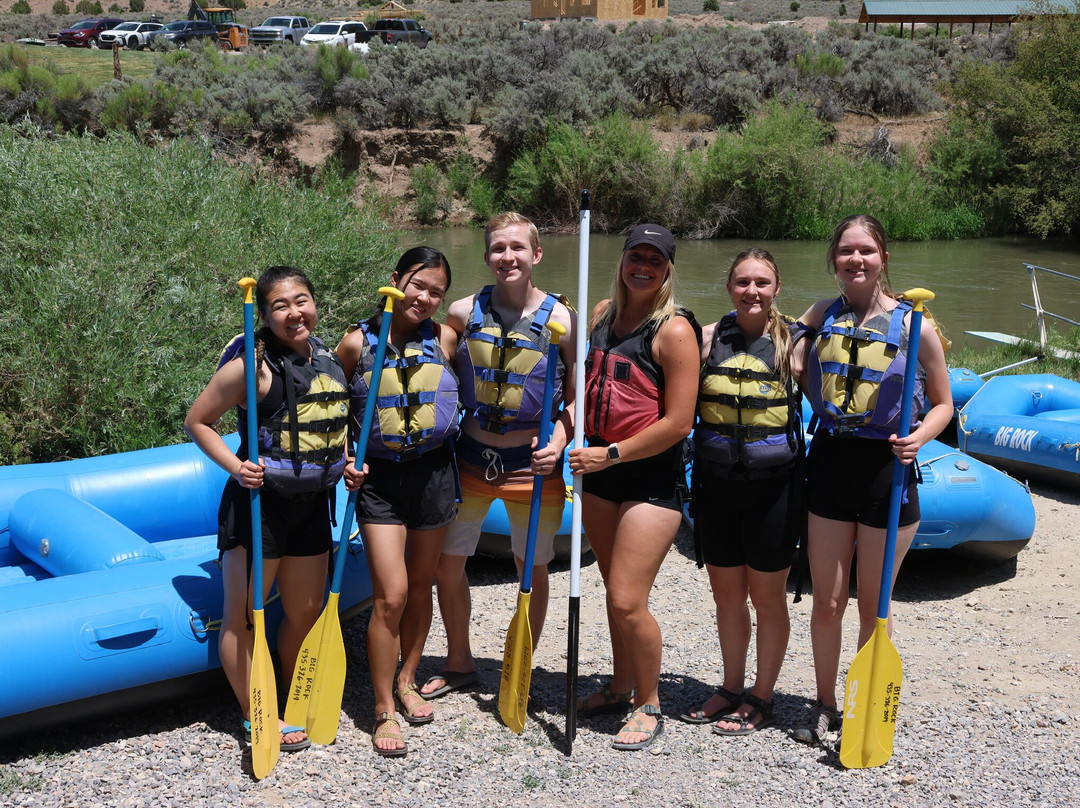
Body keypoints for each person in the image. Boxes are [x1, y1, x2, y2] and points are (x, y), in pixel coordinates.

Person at [791, 214, 952, 744]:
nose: (855, 260)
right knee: (828, 601)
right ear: (833, 259)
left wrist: (920, 437)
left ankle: (863, 702)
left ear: (883, 257)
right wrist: (796, 352)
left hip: (889, 468)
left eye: (866, 250)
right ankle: (823, 703)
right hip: (832, 464)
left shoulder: (916, 325)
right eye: (845, 251)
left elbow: (944, 405)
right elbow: (791, 346)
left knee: (871, 602)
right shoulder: (820, 312)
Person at [184, 266, 350, 754]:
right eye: (280, 306)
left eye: (302, 300)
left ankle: (291, 698)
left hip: (311, 505)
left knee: (304, 609)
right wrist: (237, 467)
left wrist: (345, 462)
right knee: (243, 614)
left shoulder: (327, 359)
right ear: (264, 314)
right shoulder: (249, 367)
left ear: (315, 303)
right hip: (258, 507)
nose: (294, 313)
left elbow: (332, 424)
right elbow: (198, 421)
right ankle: (256, 713)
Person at [419, 212, 575, 701]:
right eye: (498, 249)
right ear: (486, 256)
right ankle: (460, 660)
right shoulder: (464, 314)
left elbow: (577, 397)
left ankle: (521, 665)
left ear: (536, 255)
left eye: (517, 248)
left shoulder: (561, 321)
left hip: (532, 465)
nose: (507, 257)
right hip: (469, 458)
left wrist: (560, 441)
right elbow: (433, 370)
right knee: (448, 564)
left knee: (532, 568)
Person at [568, 224, 701, 751]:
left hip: (648, 479)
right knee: (610, 586)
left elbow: (679, 422)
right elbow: (589, 385)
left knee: (626, 600)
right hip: (600, 476)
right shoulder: (601, 312)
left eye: (655, 258)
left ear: (668, 268)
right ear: (622, 260)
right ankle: (620, 685)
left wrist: (612, 453)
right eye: (635, 256)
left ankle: (650, 702)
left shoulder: (673, 331)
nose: (643, 265)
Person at [336, 247, 460, 757]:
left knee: (421, 585)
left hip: (434, 475)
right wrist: (345, 456)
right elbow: (332, 409)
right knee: (391, 594)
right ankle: (383, 706)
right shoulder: (355, 343)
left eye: (436, 291)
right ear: (394, 281)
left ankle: (409, 677)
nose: (425, 298)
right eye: (418, 285)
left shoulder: (446, 338)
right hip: (381, 481)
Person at [679, 249, 808, 737]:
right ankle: (731, 687)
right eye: (743, 282)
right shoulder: (707, 339)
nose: (752, 291)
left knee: (768, 598)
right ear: (729, 287)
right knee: (726, 597)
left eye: (762, 283)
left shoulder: (794, 344)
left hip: (774, 490)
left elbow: (832, 401)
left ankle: (763, 695)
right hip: (715, 488)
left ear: (776, 289)